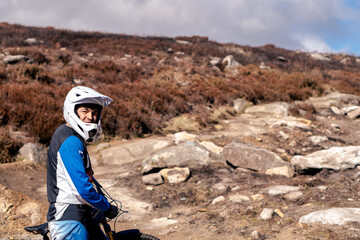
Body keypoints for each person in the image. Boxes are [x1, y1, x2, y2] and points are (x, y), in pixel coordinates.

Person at [46, 86, 118, 239]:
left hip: (80, 215)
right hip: (69, 220)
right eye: (85, 111)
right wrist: (106, 206)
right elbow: (82, 189)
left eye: (94, 112)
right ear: (72, 110)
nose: (90, 117)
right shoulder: (71, 141)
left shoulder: (68, 135)